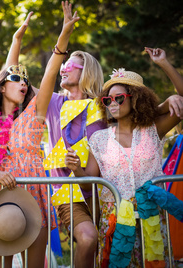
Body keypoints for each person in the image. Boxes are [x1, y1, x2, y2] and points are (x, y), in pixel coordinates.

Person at [0, 2, 79, 267]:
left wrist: (64, 35)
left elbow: (48, 73)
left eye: (27, 81)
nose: (24, 83)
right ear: (1, 87)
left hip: (34, 191)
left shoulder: (35, 112)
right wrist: (16, 39)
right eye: (17, 80)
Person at [65, 47, 183, 267]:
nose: (113, 104)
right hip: (115, 219)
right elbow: (89, 179)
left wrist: (164, 63)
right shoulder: (99, 138)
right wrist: (76, 168)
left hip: (151, 215)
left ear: (135, 98)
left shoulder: (152, 130)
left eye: (119, 98)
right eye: (108, 100)